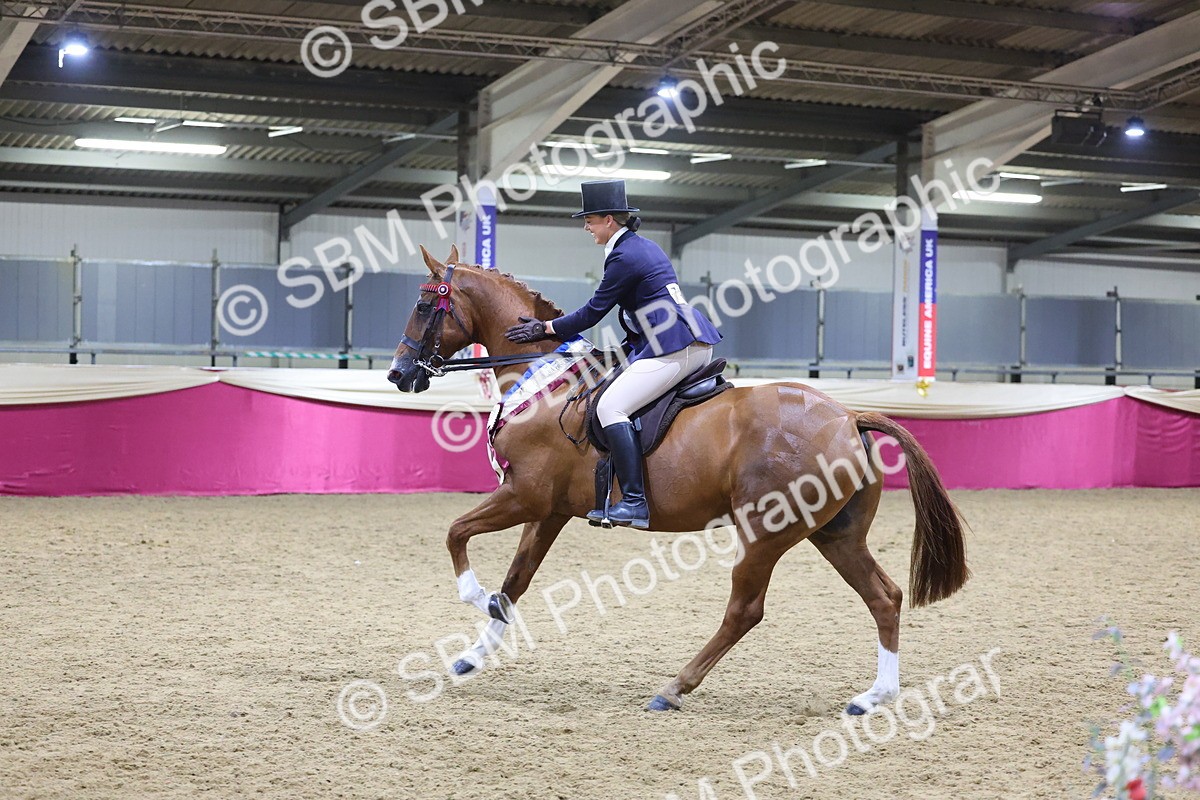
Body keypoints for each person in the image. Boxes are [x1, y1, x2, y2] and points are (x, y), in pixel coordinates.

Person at [505, 179, 722, 528]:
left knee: (610, 406)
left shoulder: (625, 255)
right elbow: (643, 308)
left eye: (589, 220)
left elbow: (593, 313)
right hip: (671, 340)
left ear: (608, 219)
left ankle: (634, 501)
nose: (586, 227)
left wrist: (545, 329)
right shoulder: (639, 247)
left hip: (675, 346)